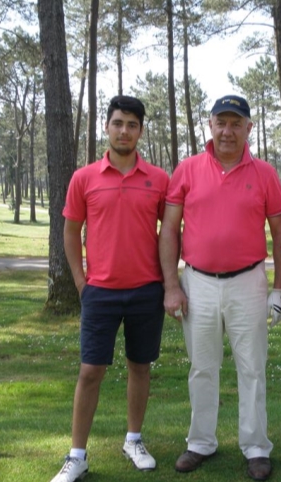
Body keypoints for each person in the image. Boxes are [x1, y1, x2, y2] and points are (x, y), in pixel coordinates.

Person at [159, 94, 281, 481]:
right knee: (202, 367)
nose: (228, 131)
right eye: (221, 122)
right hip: (196, 281)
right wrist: (171, 285)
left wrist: (280, 289)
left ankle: (256, 447)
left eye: (236, 123)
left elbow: (280, 233)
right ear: (210, 126)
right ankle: (201, 442)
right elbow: (169, 230)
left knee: (252, 367)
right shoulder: (187, 169)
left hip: (248, 280)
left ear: (249, 128)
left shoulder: (264, 173)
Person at [51, 95, 169, 482]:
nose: (124, 131)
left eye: (132, 125)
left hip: (146, 290)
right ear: (107, 126)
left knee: (140, 366)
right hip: (99, 292)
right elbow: (70, 232)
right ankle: (77, 455)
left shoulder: (158, 179)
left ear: (140, 131)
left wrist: (169, 282)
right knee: (90, 371)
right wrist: (82, 283)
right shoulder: (84, 178)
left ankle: (133, 439)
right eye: (118, 123)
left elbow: (170, 234)